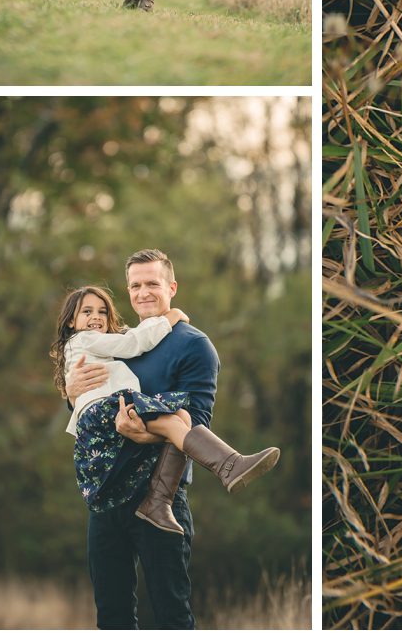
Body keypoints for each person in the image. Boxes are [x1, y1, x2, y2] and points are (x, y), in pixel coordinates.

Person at [62, 250, 272, 629]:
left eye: (152, 284)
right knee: (112, 616)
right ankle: (229, 464)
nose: (143, 292)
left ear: (171, 287)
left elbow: (198, 421)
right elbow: (89, 408)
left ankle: (228, 466)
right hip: (108, 498)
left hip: (159, 497)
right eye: (136, 285)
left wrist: (143, 437)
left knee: (172, 614)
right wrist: (69, 393)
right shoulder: (115, 340)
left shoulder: (194, 345)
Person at [51, 286, 281, 535]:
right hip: (108, 410)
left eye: (102, 311)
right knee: (174, 422)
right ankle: (228, 464)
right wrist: (170, 318)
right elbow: (133, 343)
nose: (96, 316)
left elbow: (129, 339)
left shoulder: (106, 341)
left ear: (171, 287)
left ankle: (159, 502)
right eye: (87, 311)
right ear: (72, 321)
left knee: (182, 415)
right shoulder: (86, 339)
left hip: (111, 412)